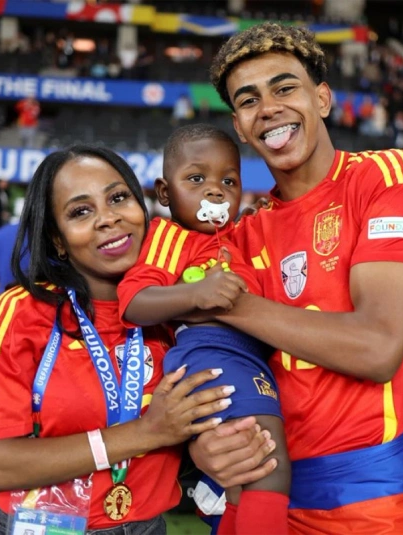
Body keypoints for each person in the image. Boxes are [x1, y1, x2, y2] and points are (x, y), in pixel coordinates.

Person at [188, 22, 403, 534]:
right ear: (240, 125)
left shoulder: (387, 176)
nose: (270, 108)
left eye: (285, 88)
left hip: (369, 499)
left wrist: (219, 301)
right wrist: (201, 446)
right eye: (249, 99)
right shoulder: (242, 234)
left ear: (322, 98)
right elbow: (208, 362)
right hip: (261, 490)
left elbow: (378, 348)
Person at [0, 145, 251, 534]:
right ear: (58, 240)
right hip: (40, 525)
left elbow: (188, 432)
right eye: (80, 211)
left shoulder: (179, 311)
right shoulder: (21, 312)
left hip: (146, 526)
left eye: (119, 198)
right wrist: (142, 434)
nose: (109, 219)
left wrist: (205, 450)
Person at [117, 124, 290, 534]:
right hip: (211, 354)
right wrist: (196, 294)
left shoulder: (237, 237)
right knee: (269, 467)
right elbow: (134, 302)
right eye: (197, 179)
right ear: (164, 193)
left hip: (247, 359)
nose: (215, 192)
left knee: (240, 479)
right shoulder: (168, 236)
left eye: (228, 181)